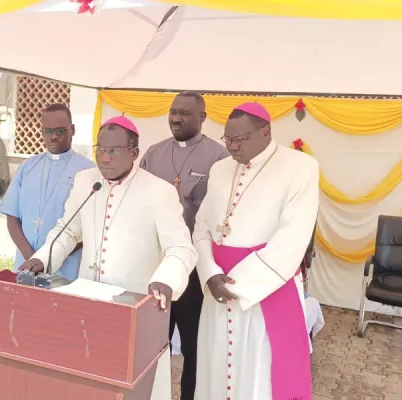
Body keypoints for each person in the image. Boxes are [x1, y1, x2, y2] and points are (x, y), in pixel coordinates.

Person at [19, 115, 198, 400]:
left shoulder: (159, 191)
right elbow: (67, 230)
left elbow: (181, 249)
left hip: (135, 308)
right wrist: (43, 258)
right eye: (100, 148)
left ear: (134, 153)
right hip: (88, 305)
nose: (104, 156)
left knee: (132, 387)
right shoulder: (85, 181)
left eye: (113, 150)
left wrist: (166, 279)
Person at [192, 102, 318, 400]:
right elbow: (202, 227)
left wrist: (239, 285)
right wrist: (210, 273)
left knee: (260, 373)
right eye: (228, 139)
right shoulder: (220, 168)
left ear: (266, 132)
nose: (232, 147)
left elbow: (293, 238)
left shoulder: (300, 167)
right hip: (216, 288)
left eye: (240, 139)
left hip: (265, 290)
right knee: (216, 365)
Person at [139, 91, 229, 400]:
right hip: (155, 267)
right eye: (173, 111)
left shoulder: (219, 158)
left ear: (202, 117)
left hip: (192, 272)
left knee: (193, 347)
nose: (176, 117)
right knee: (150, 345)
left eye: (185, 113)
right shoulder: (153, 153)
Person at [0, 103, 95, 280]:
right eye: (48, 131)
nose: (54, 137)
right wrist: (32, 257)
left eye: (60, 130)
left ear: (72, 130)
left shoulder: (89, 171)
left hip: (67, 265)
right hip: (25, 262)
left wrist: (49, 258)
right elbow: (12, 216)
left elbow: (90, 227)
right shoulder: (28, 166)